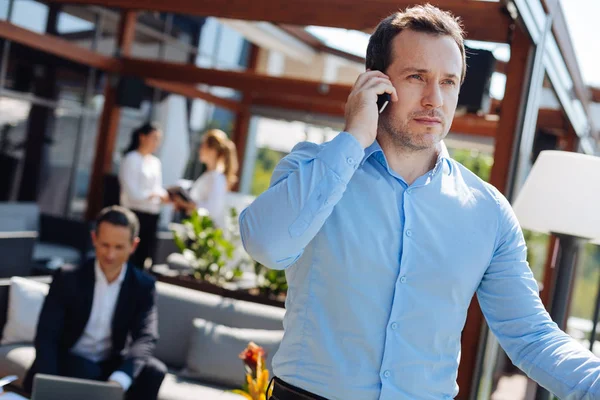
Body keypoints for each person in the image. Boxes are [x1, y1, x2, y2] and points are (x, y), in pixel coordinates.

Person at [239, 5, 600, 400]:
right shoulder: (313, 167)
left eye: (448, 82)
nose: (434, 99)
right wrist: (355, 137)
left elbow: (531, 334)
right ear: (375, 83)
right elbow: (268, 246)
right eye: (417, 77)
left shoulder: (489, 212)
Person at [24, 206, 166, 400]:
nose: (110, 255)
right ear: (94, 239)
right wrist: (49, 386)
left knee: (154, 371)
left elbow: (146, 337)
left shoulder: (143, 286)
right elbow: (46, 336)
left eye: (119, 247)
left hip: (108, 364)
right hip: (67, 361)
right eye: (105, 245)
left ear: (133, 246)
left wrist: (120, 379)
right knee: (86, 370)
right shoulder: (68, 277)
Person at [119, 122, 168, 268]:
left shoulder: (155, 162)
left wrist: (163, 196)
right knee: (130, 257)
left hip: (151, 216)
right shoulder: (131, 159)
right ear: (142, 137)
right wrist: (152, 194)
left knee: (144, 257)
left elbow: (157, 188)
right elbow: (132, 192)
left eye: (158, 139)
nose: (156, 143)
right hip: (134, 215)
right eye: (154, 138)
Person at [173, 129, 238, 228]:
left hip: (200, 231)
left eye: (203, 146)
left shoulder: (216, 178)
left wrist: (185, 204)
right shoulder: (209, 176)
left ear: (212, 150)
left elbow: (212, 210)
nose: (199, 150)